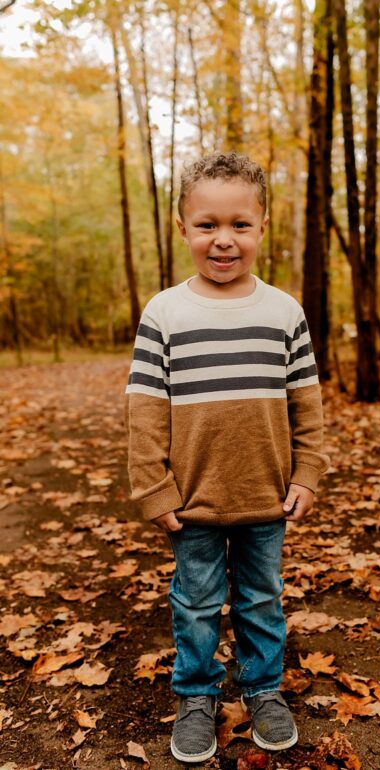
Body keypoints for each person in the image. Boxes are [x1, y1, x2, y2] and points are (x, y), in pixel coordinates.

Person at [125, 152, 329, 762]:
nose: (224, 239)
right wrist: (153, 490)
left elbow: (307, 406)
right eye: (208, 224)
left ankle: (263, 688)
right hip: (191, 500)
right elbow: (144, 408)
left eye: (240, 224)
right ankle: (196, 695)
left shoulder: (282, 311)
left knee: (261, 598)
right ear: (181, 227)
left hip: (266, 496)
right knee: (194, 601)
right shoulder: (165, 312)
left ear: (263, 226)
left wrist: (309, 472)